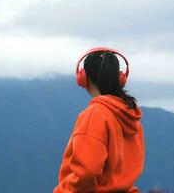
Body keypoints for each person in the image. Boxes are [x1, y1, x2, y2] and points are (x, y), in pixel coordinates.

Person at [53, 47, 145, 193]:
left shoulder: (95, 115)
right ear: (120, 78)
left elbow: (86, 173)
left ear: (83, 77)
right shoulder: (132, 116)